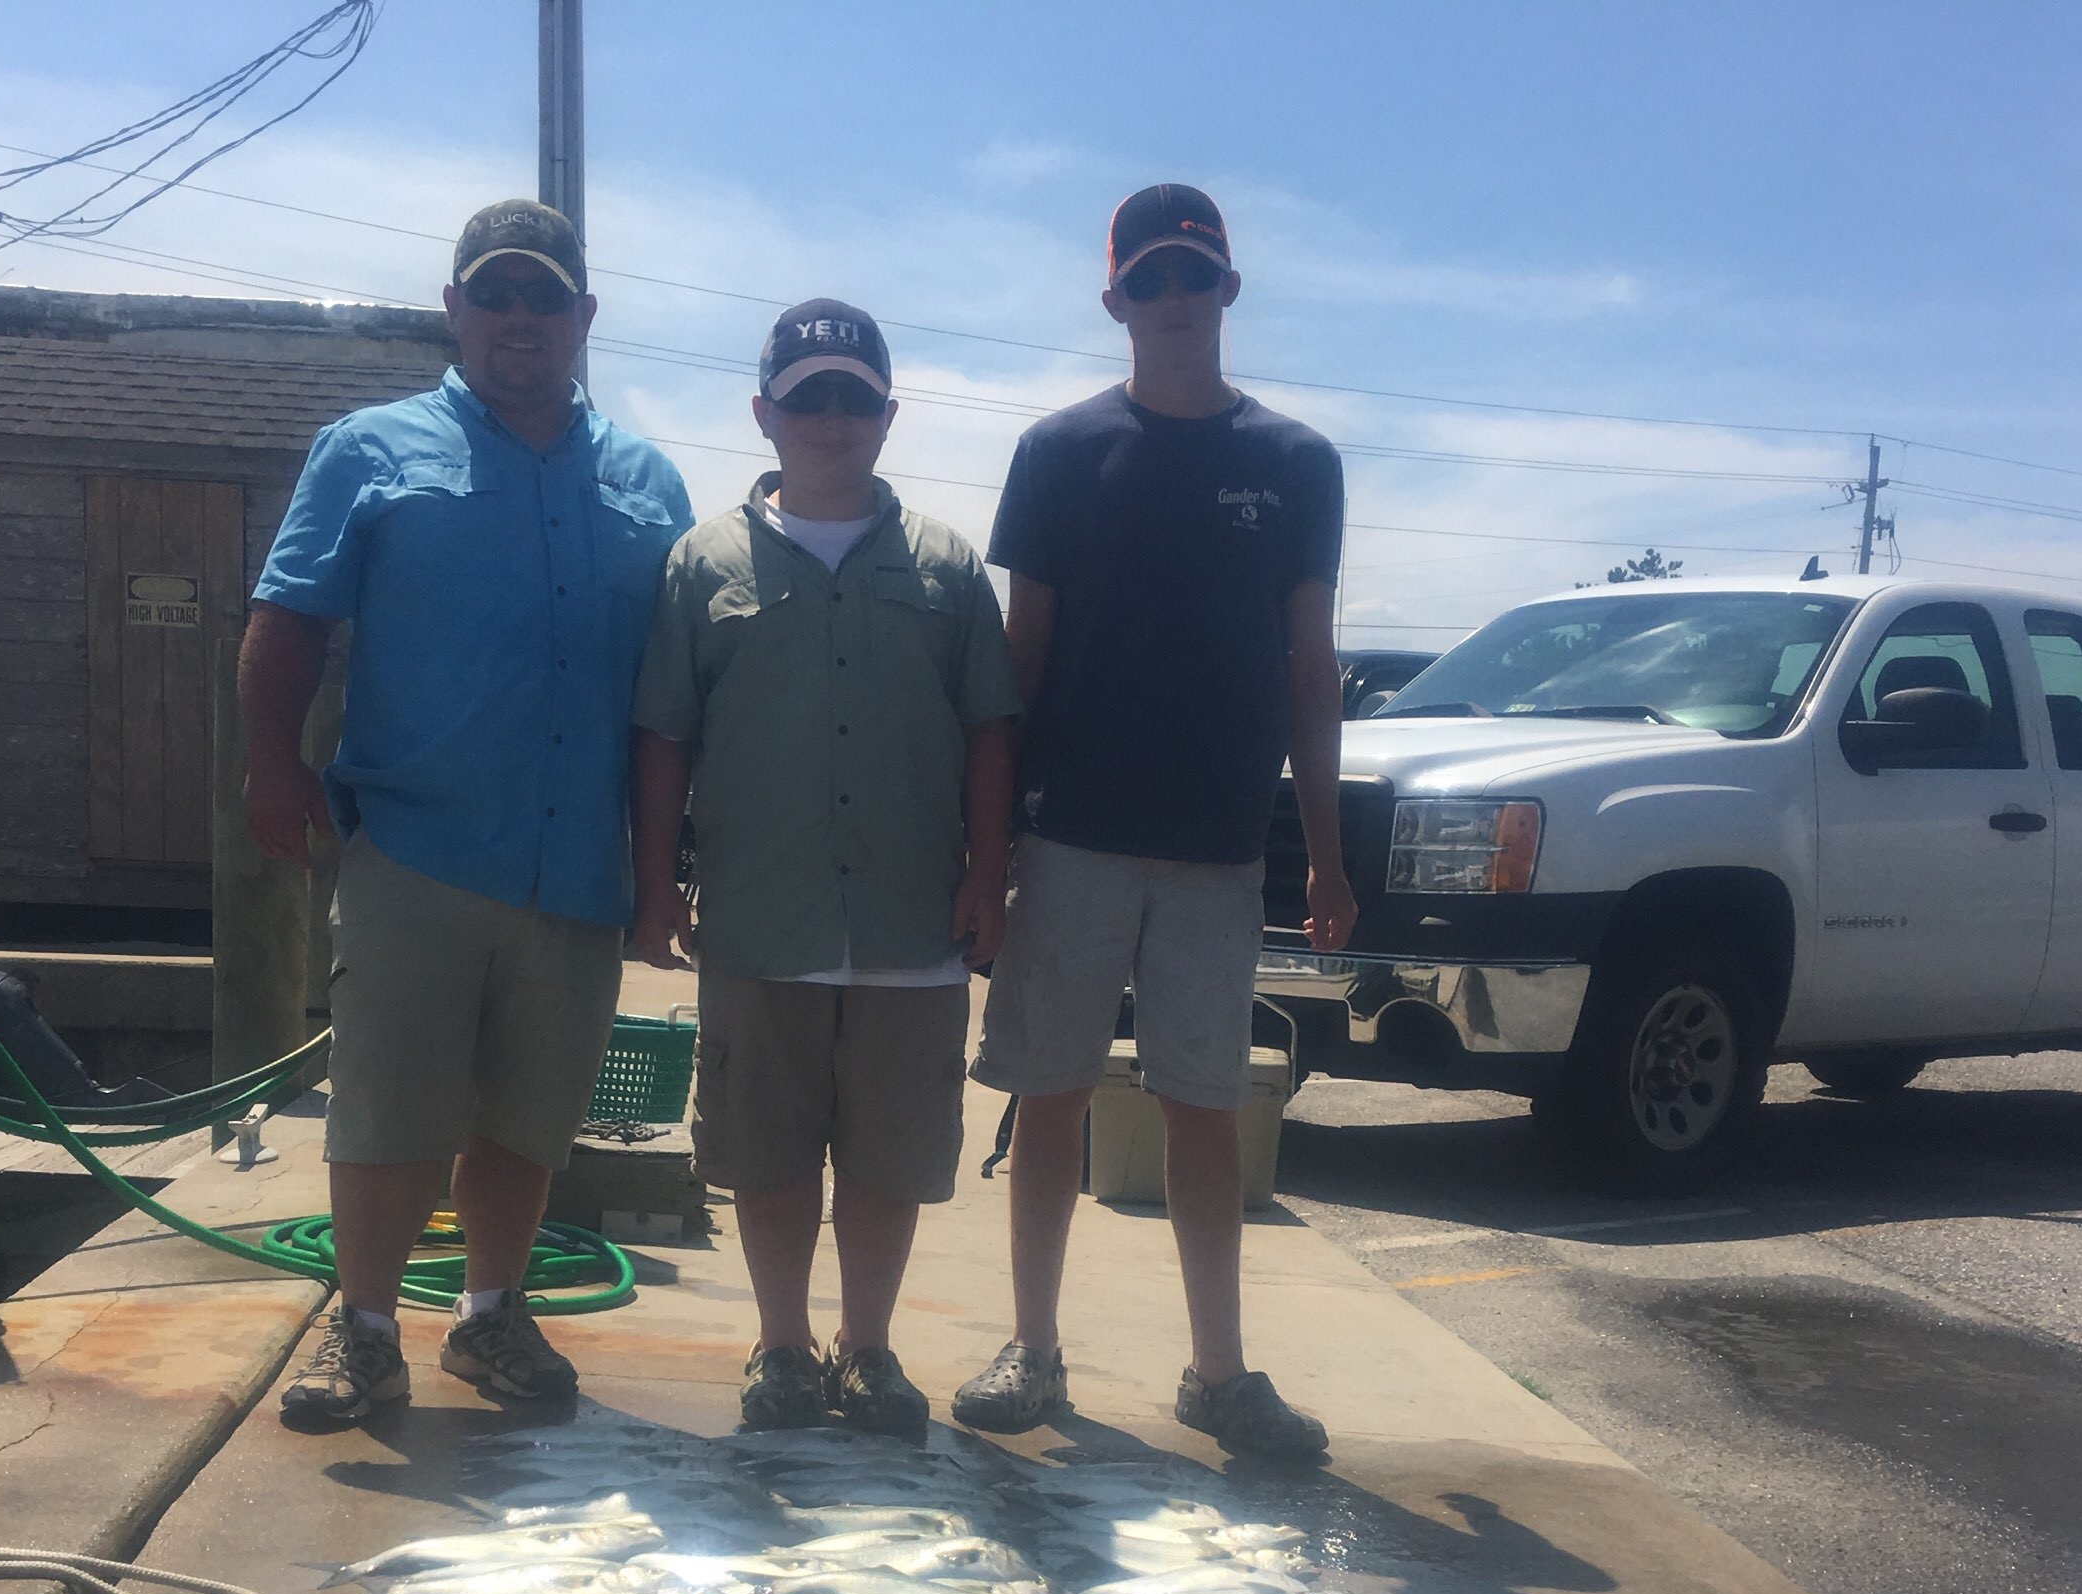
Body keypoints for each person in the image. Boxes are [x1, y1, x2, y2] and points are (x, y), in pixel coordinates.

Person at [241, 199, 690, 1424]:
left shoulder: (651, 481)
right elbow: (288, 620)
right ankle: (368, 1330)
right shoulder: (366, 449)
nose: (519, 319)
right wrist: (270, 765)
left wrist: (667, 866)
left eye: (544, 297)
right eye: (493, 293)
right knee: (390, 1106)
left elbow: (677, 694)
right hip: (420, 845)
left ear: (585, 318)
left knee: (528, 1115)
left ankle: (492, 1323)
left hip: (577, 864)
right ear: (453, 310)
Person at [954, 183, 1358, 1462]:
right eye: (1151, 281)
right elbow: (1018, 665)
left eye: (1196, 277)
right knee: (1051, 1093)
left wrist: (1329, 862)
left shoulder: (1297, 464)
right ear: (1116, 299)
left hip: (1218, 850)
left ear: (1229, 291)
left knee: (1200, 1107)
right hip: (1070, 834)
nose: (1174, 301)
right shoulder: (1061, 454)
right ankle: (1033, 1346)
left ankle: (1218, 1371)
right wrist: (986, 852)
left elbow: (1310, 669)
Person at [629, 300, 1019, 1435]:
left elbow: (993, 731)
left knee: (890, 1159)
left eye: (855, 396)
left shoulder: (950, 570)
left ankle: (871, 1349)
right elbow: (664, 736)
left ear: (889, 416)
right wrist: (657, 887)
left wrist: (985, 880)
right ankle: (783, 1348)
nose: (832, 417)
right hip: (761, 912)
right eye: (809, 396)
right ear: (766, 414)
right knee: (769, 1149)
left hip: (911, 917)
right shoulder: (699, 564)